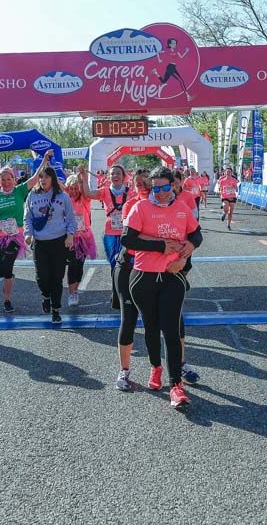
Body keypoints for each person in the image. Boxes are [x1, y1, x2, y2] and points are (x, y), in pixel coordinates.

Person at [121, 166, 202, 409]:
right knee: (151, 328)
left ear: (174, 186)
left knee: (171, 329)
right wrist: (160, 246)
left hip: (171, 277)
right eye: (156, 188)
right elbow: (127, 239)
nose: (162, 193)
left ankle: (176, 386)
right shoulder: (141, 207)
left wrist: (187, 252)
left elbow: (197, 235)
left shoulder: (182, 209)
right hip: (143, 277)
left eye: (166, 187)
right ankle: (156, 367)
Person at [0, 151, 52, 313]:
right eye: (3, 179)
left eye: (9, 179)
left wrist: (45, 161)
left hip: (15, 237)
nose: (6, 182)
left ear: (14, 179)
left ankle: (7, 300)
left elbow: (35, 178)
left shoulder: (19, 191)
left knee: (7, 269)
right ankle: (9, 277)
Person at [24, 166, 77, 324]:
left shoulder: (63, 196)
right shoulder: (32, 195)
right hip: (40, 242)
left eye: (46, 177)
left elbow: (71, 219)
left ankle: (56, 310)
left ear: (52, 179)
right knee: (42, 277)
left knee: (57, 277)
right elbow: (27, 217)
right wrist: (28, 233)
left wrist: (70, 235)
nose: (43, 180)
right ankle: (45, 296)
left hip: (59, 242)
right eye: (41, 177)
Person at [113, 170, 151, 391]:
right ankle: (124, 370)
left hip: (155, 269)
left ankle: (174, 368)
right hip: (129, 266)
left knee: (161, 321)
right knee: (128, 319)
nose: (143, 186)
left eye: (147, 182)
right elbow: (132, 238)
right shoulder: (131, 205)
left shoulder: (166, 204)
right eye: (138, 183)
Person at [82, 164, 130, 310]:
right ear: (109, 177)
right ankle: (116, 294)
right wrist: (84, 178)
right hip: (110, 234)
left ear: (123, 176)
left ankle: (125, 294)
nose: (115, 176)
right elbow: (88, 194)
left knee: (125, 265)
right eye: (112, 174)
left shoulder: (131, 192)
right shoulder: (104, 191)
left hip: (126, 234)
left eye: (118, 173)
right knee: (114, 265)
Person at [64, 169, 97, 308]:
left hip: (84, 237)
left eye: (76, 188)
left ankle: (75, 289)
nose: (74, 191)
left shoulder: (85, 198)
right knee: (72, 265)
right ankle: (72, 293)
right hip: (70, 237)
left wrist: (82, 177)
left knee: (79, 266)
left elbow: (85, 188)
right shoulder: (65, 198)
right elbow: (61, 187)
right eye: (71, 188)